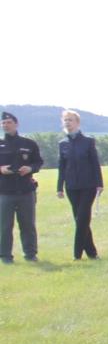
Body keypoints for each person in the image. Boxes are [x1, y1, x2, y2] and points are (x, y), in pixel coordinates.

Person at [56, 109, 102, 260]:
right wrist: (59, 187)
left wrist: (99, 183)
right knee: (79, 219)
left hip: (88, 185)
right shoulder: (62, 144)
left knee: (82, 218)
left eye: (70, 120)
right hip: (71, 187)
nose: (67, 122)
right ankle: (92, 253)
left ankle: (77, 254)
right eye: (65, 120)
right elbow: (62, 166)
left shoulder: (88, 141)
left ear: (77, 123)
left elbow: (95, 163)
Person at [0, 112, 42, 263]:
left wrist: (30, 169)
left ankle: (30, 254)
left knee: (28, 225)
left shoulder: (29, 143)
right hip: (4, 191)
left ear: (16, 124)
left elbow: (38, 162)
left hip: (25, 190)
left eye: (9, 122)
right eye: (3, 123)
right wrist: (1, 169)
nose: (5, 125)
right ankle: (5, 256)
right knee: (5, 226)